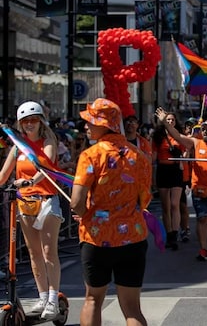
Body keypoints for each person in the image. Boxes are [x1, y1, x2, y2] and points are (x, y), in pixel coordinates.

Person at [70, 98, 151, 326]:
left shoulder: (91, 155)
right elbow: (144, 200)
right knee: (132, 309)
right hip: (133, 237)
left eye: (90, 121)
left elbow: (76, 201)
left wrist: (82, 211)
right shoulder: (139, 156)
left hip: (97, 238)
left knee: (93, 299)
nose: (86, 125)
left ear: (105, 125)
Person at [0, 101, 63, 320]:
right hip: (24, 202)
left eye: (33, 120)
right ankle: (43, 296)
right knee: (34, 253)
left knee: (48, 252)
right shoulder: (18, 145)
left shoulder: (49, 141)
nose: (29, 124)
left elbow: (44, 168)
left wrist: (29, 182)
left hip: (46, 201)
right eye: (25, 121)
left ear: (40, 121)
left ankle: (53, 301)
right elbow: (4, 173)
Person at [155, 108, 207, 261]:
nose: (204, 132)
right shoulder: (195, 143)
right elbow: (177, 135)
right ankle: (203, 249)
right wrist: (165, 122)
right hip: (199, 189)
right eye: (202, 129)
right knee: (202, 219)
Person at [151, 111, 184, 250]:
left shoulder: (179, 135)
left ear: (176, 122)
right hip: (163, 170)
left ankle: (175, 234)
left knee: (174, 204)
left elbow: (185, 152)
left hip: (176, 170)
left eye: (172, 120)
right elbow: (153, 157)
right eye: (168, 120)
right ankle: (169, 234)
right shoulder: (157, 136)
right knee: (166, 206)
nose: (170, 122)